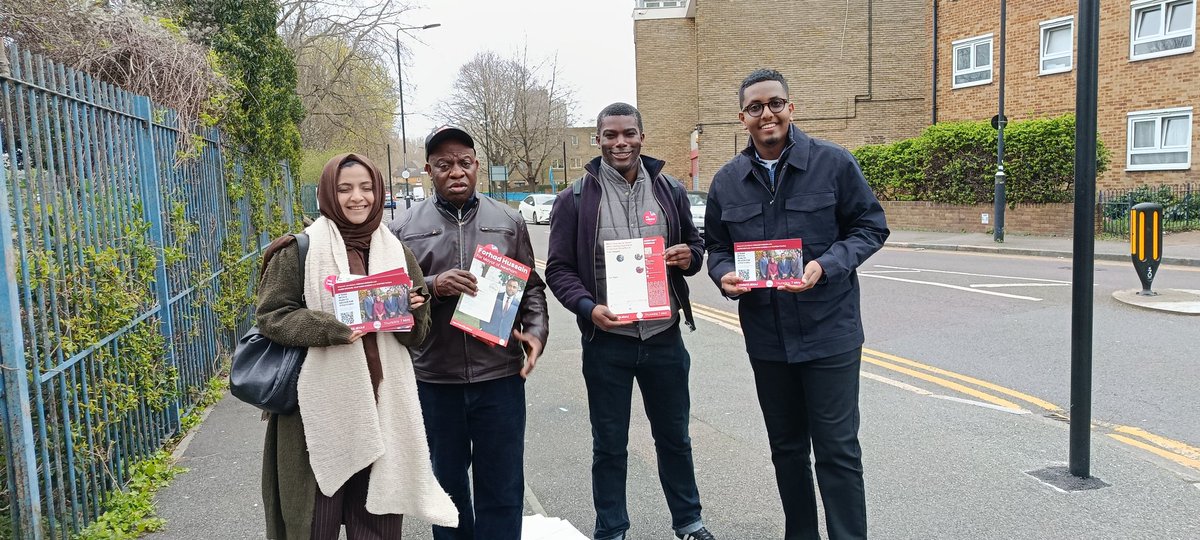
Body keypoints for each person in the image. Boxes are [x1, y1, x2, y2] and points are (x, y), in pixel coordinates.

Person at [704, 69, 889, 540]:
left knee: (837, 450)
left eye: (775, 103)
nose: (766, 114)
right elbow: (718, 247)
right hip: (767, 338)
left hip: (831, 332)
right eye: (755, 108)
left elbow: (870, 227)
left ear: (791, 107)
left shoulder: (834, 163)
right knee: (786, 449)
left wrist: (825, 265)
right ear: (741, 117)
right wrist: (723, 276)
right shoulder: (727, 182)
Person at [256, 153, 458, 539]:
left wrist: (414, 311)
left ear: (379, 192)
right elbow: (272, 316)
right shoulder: (297, 249)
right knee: (315, 524)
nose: (357, 198)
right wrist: (330, 328)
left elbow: (416, 336)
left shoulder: (398, 252)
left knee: (377, 526)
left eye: (366, 188)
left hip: (384, 410)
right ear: (328, 194)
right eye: (344, 188)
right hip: (316, 415)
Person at [545, 102, 715, 540]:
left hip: (663, 336)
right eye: (610, 135)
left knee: (675, 438)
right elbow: (559, 268)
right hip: (608, 341)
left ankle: (690, 523)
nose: (620, 142)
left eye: (629, 134)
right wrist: (587, 308)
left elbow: (695, 248)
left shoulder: (670, 189)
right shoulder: (576, 198)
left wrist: (687, 257)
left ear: (642, 136)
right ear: (598, 139)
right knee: (609, 445)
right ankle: (612, 528)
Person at [389, 125, 548, 540]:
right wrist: (433, 285)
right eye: (444, 165)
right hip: (434, 378)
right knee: (447, 486)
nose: (455, 171)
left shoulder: (509, 221)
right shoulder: (403, 229)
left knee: (502, 485)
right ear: (428, 170)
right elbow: (390, 301)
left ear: (477, 165)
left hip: (500, 377)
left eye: (464, 162)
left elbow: (531, 288)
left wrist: (535, 333)